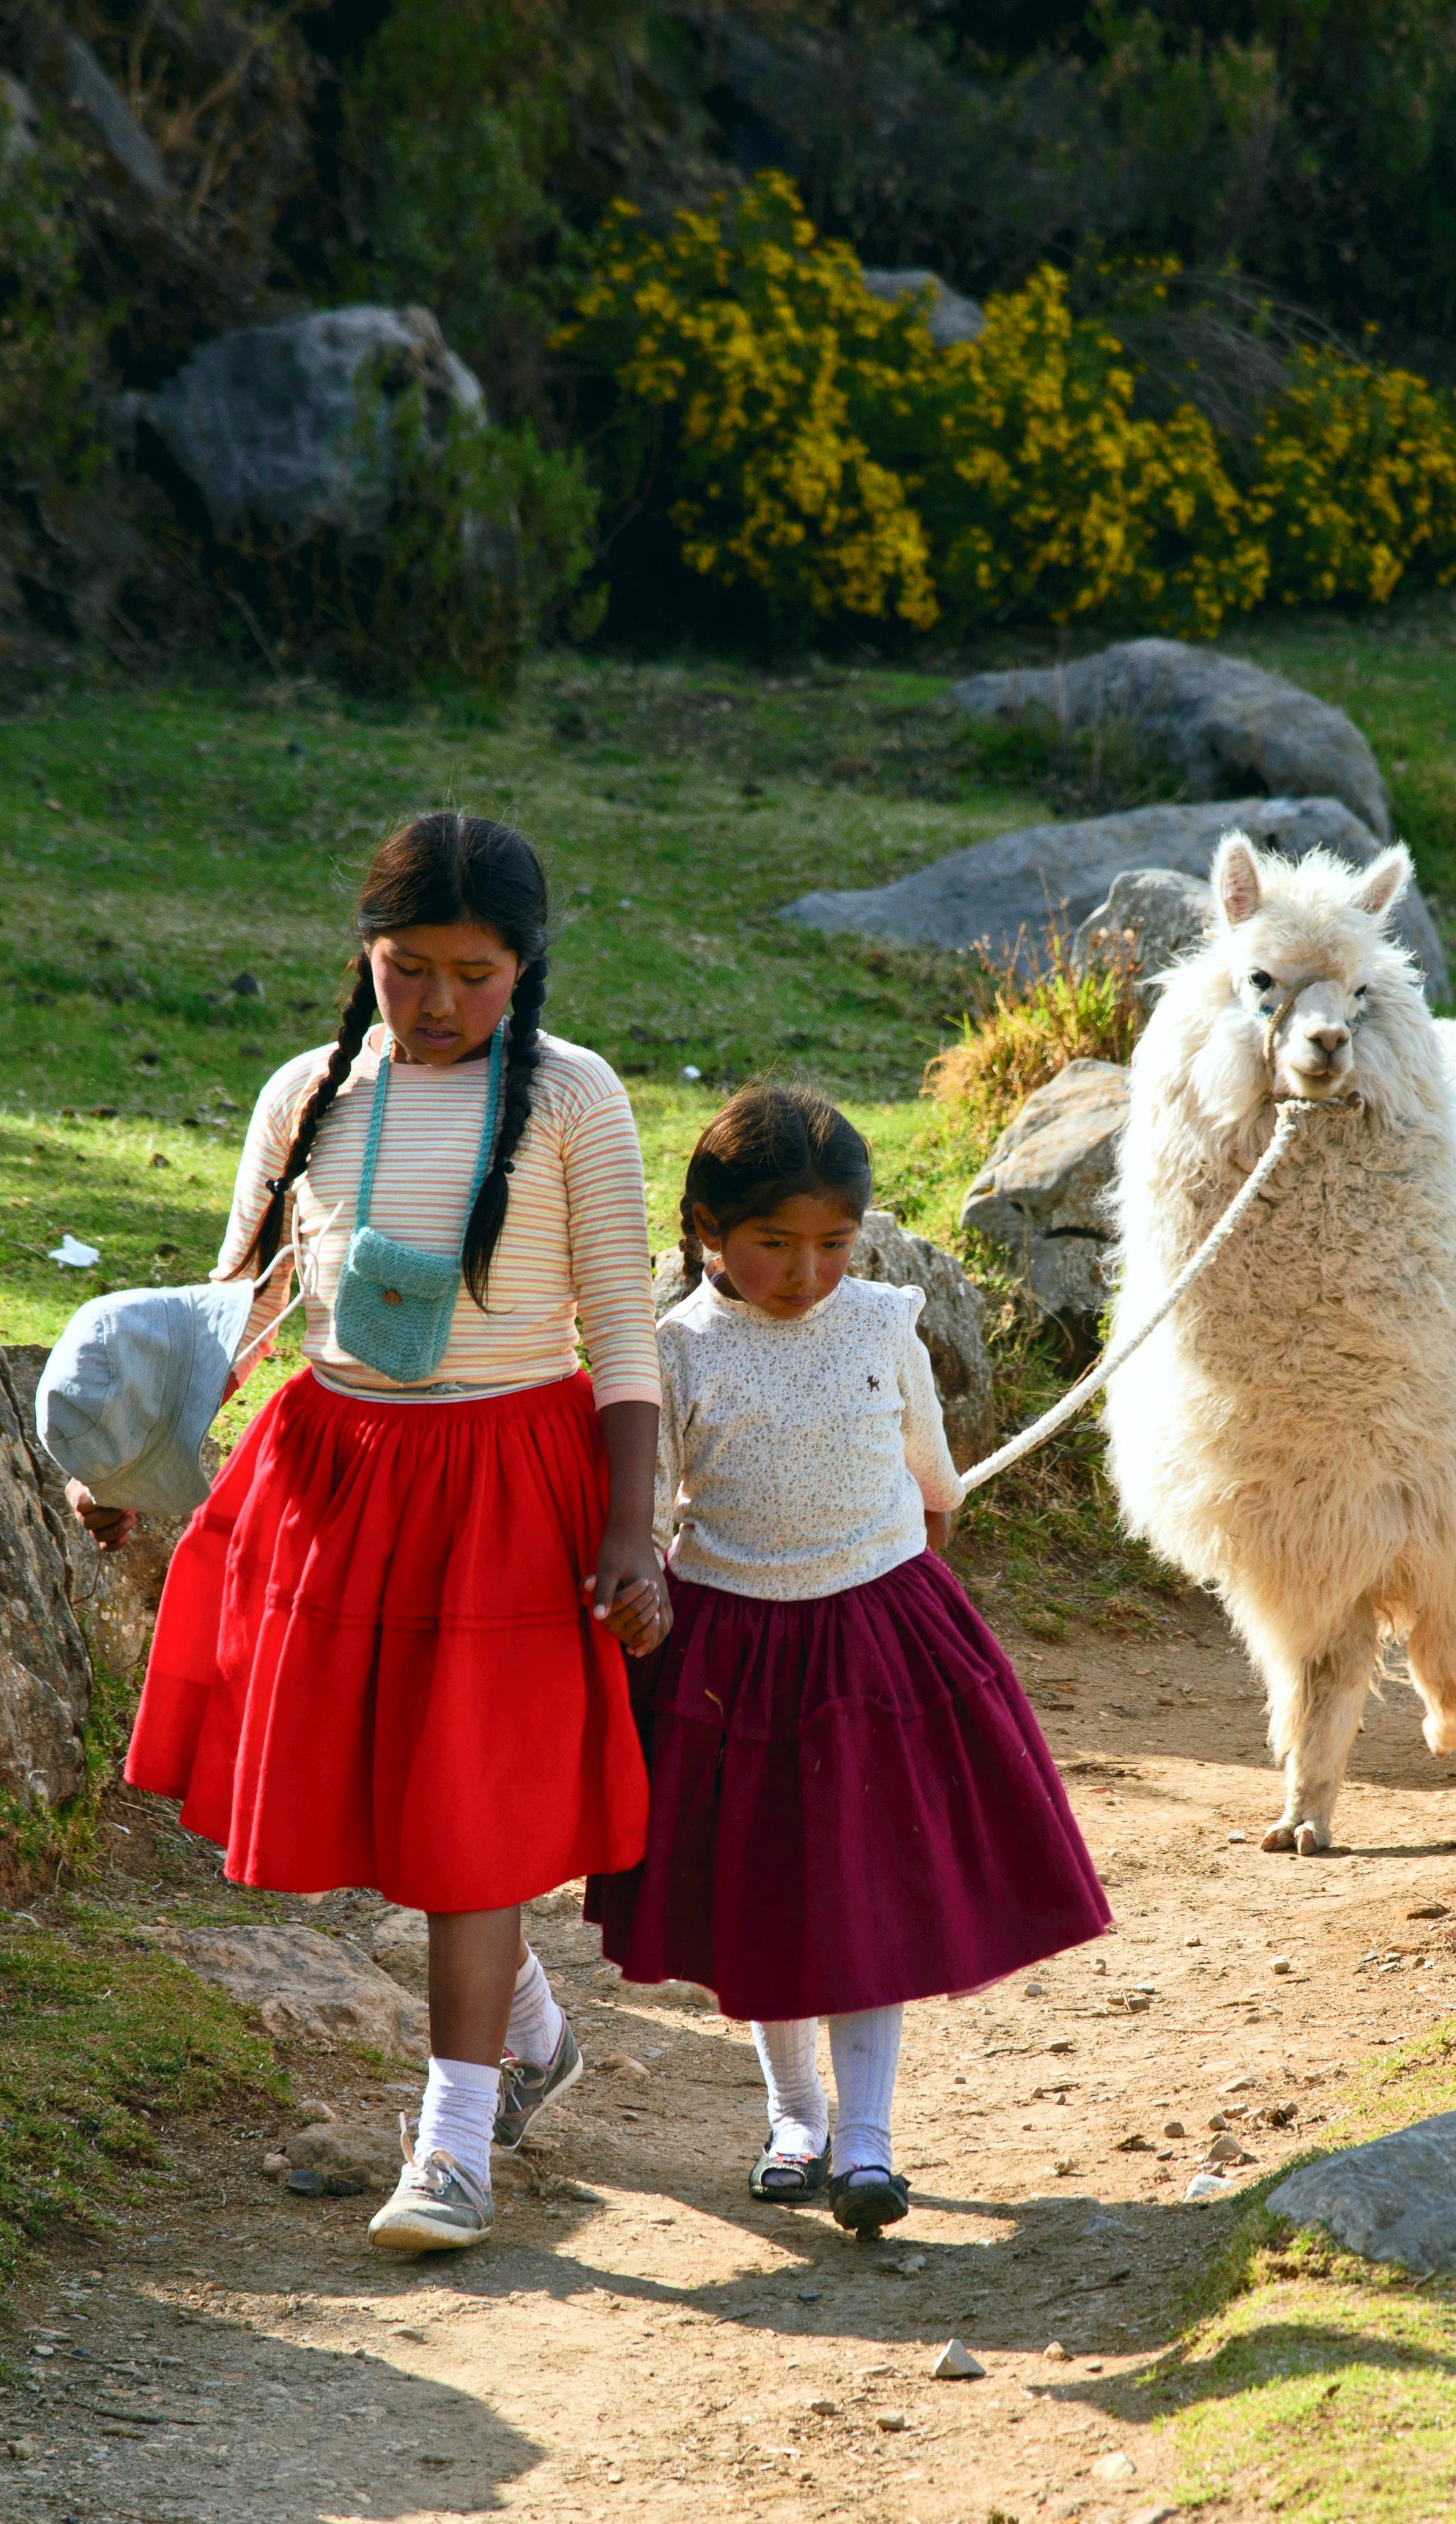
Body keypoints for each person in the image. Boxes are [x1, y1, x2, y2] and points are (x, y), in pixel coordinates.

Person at [112, 810, 666, 2255]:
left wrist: (630, 1529)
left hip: (505, 1484)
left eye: (471, 975)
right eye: (403, 967)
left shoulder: (571, 1100)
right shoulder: (308, 1093)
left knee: (469, 1819)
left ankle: (454, 2145)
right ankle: (529, 2040)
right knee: (390, 1806)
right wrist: (129, 1448)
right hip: (338, 1473)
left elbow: (619, 1326)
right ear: (363, 953)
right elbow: (247, 1301)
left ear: (526, 966)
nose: (432, 1004)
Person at [588, 1078, 1110, 2233]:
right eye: (773, 1243)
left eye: (833, 1242)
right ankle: (795, 2122)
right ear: (706, 1234)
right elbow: (653, 1506)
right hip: (734, 1658)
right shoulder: (676, 1349)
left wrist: (899, 1583)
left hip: (877, 1644)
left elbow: (933, 1478)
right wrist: (651, 1622)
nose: (807, 1270)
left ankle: (868, 2143)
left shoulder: (882, 1321)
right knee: (771, 1899)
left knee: (866, 1894)